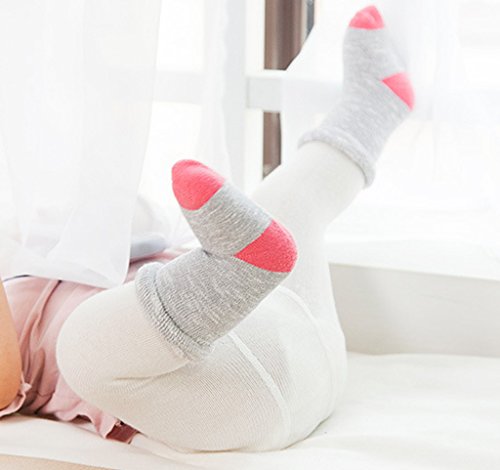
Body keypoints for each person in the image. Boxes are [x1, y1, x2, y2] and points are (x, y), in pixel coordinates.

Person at [0, 6, 413, 452]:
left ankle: (371, 109)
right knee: (81, 347)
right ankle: (233, 267)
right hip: (225, 390)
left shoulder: (30, 244)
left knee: (286, 208)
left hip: (292, 323)